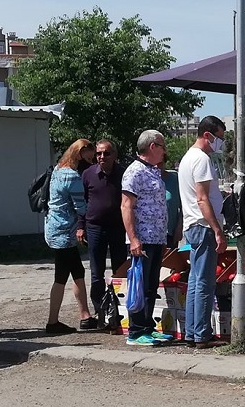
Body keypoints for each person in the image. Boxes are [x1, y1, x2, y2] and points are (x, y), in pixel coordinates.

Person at [177, 116, 229, 349]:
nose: (221, 142)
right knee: (205, 283)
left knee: (196, 281)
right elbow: (202, 198)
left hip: (193, 225)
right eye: (219, 137)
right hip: (204, 226)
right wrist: (217, 229)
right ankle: (201, 334)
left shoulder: (187, 158)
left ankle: (192, 332)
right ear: (207, 135)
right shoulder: (201, 160)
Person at [121, 130, 173, 346]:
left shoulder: (153, 171)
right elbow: (126, 206)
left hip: (156, 238)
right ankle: (136, 331)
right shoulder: (134, 172)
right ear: (152, 146)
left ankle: (148, 327)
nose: (164, 151)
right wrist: (134, 239)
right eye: (162, 146)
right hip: (142, 239)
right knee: (140, 285)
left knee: (151, 285)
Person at [45, 138, 96, 334]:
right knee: (61, 277)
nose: (90, 161)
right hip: (64, 232)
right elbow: (81, 207)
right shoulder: (71, 176)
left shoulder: (58, 170)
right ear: (80, 153)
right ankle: (52, 322)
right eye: (89, 157)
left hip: (54, 229)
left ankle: (85, 316)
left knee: (77, 272)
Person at [77, 139, 126, 324]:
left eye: (106, 153)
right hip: (94, 228)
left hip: (117, 228)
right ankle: (100, 312)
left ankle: (121, 309)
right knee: (96, 273)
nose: (102, 157)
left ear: (114, 155)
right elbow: (82, 202)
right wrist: (80, 226)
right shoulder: (88, 174)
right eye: (98, 153)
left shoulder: (122, 174)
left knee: (120, 270)